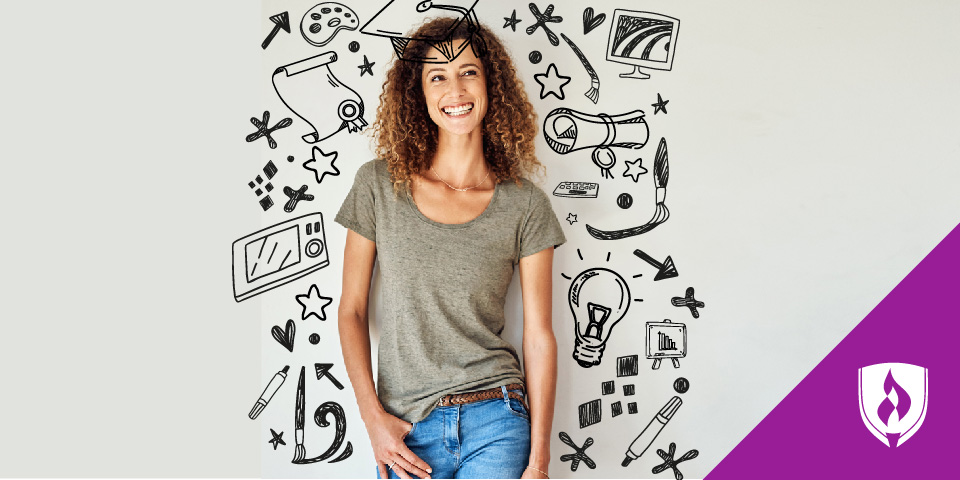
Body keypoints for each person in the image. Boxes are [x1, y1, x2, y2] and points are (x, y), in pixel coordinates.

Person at [335, 17, 565, 479]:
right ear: (418, 94)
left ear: (489, 83)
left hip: (497, 418)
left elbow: (539, 336)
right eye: (437, 76)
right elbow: (351, 311)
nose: (455, 89)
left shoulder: (525, 204)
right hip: (405, 429)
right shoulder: (379, 185)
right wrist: (371, 418)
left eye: (468, 72)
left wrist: (539, 463)